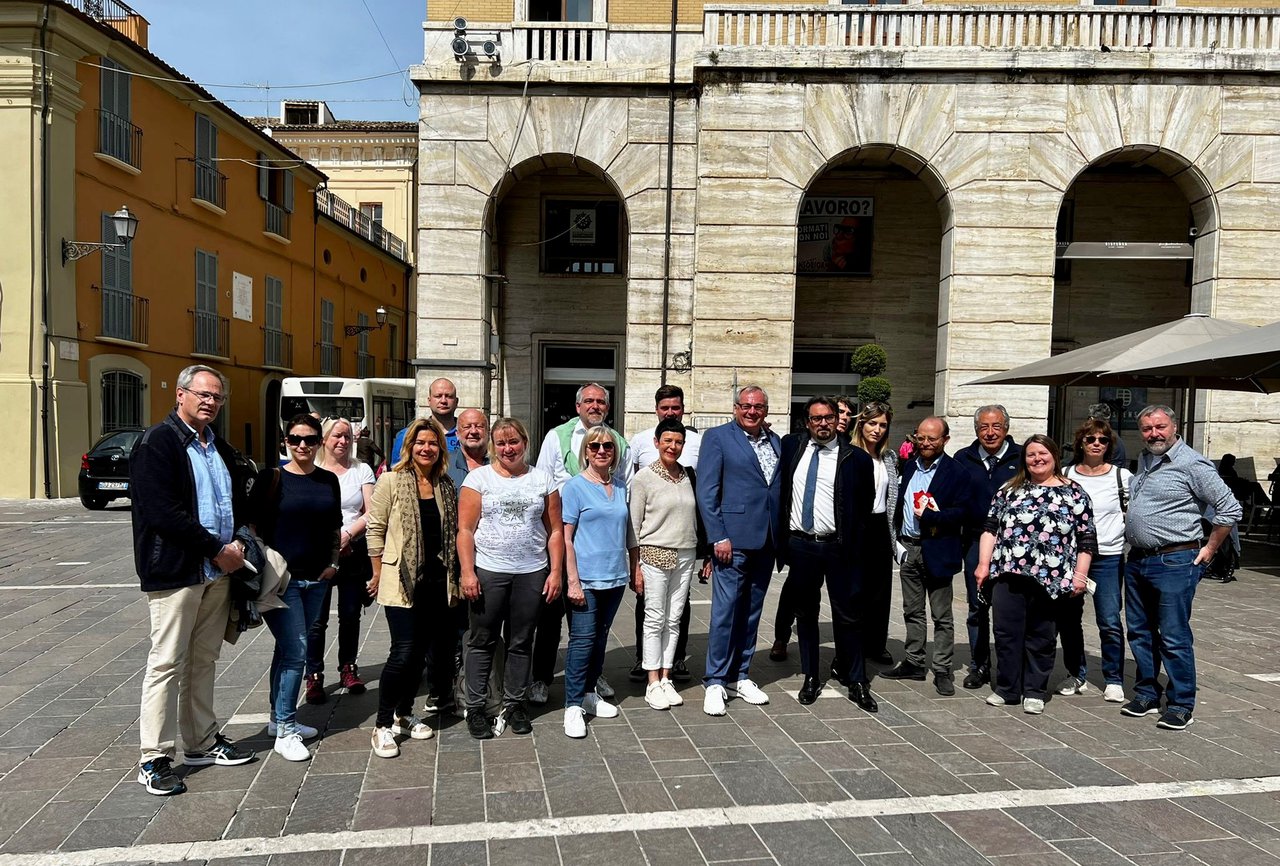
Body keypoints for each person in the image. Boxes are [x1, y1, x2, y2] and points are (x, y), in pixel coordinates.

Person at [131, 364, 254, 796]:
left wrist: (238, 540)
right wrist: (217, 549)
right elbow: (163, 513)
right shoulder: (157, 443)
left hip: (216, 573)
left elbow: (236, 502)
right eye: (202, 394)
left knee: (204, 661)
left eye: (217, 397)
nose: (210, 402)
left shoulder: (217, 447)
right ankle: (154, 757)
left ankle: (201, 742)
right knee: (166, 663)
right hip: (177, 571)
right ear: (180, 395)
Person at [1122, 405, 1241, 730]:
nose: (1153, 434)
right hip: (1139, 560)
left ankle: (1180, 703)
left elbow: (1230, 508)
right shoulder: (1147, 459)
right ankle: (1146, 692)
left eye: (1159, 427)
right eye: (1147, 428)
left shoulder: (1193, 464)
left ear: (1174, 426)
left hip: (1174, 561)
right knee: (1140, 631)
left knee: (1173, 635)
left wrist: (1211, 547)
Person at [457, 418, 563, 739]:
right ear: (493, 445)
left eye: (513, 441)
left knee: (521, 641)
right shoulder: (479, 479)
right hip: (490, 571)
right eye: (501, 443)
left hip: (531, 573)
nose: (508, 449)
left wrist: (556, 571)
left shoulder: (543, 479)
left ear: (525, 442)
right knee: (481, 640)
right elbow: (464, 530)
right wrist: (467, 571)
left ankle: (514, 703)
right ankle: (475, 707)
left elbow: (555, 530)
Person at [975, 434, 1095, 714]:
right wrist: (983, 565)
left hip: (1051, 577)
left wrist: (1080, 575)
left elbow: (1087, 539)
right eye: (1031, 455)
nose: (1037, 459)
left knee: (1041, 635)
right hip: (1008, 572)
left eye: (1042, 453)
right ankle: (1007, 689)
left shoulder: (1075, 493)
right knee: (1006, 633)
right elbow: (990, 529)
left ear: (1054, 456)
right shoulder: (1009, 490)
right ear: (1024, 459)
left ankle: (1034, 690)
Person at [529, 383, 631, 705]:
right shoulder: (555, 437)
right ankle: (542, 678)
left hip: (594, 540)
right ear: (578, 406)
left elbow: (621, 486)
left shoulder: (619, 443)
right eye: (589, 400)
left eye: (601, 401)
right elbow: (543, 482)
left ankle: (591, 676)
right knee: (550, 614)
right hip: (559, 535)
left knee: (589, 623)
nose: (595, 405)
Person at [249, 414, 343, 762]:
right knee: (296, 651)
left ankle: (278, 718)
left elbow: (335, 525)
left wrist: (333, 563)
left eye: (309, 439)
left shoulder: (328, 481)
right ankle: (287, 728)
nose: (302, 445)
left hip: (317, 579)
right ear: (285, 441)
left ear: (319, 442)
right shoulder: (270, 478)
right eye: (295, 438)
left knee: (286, 650)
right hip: (282, 580)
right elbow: (251, 528)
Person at [365, 417, 460, 757]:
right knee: (403, 652)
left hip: (438, 582)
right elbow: (374, 530)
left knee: (420, 654)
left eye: (433, 443)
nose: (427, 448)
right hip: (402, 580)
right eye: (420, 443)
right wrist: (376, 573)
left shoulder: (445, 485)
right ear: (410, 447)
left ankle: (403, 715)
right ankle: (381, 725)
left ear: (440, 449)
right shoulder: (391, 481)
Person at [777, 397, 879, 712]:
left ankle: (857, 679)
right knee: (806, 614)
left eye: (829, 418)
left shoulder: (856, 459)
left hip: (839, 547)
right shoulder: (791, 447)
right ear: (807, 421)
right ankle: (810, 676)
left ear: (838, 420)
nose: (823, 424)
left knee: (848, 615)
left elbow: (865, 506)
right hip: (802, 545)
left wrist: (853, 543)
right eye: (816, 418)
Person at [696, 385, 782, 716]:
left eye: (758, 406)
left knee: (751, 612)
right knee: (725, 612)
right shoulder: (718, 438)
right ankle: (715, 679)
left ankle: (740, 675)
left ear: (765, 410)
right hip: (731, 541)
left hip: (766, 540)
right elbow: (707, 491)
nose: (751, 411)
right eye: (746, 406)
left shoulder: (775, 441)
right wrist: (717, 536)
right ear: (735, 408)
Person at [883, 416, 976, 696]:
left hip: (938, 549)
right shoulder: (909, 466)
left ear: (945, 440)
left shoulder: (957, 472)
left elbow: (965, 512)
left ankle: (943, 669)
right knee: (912, 611)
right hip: (909, 548)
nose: (925, 443)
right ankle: (913, 661)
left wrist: (934, 515)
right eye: (920, 437)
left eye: (932, 439)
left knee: (941, 615)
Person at [561, 425, 638, 737]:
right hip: (587, 579)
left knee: (601, 637)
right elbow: (566, 539)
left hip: (615, 577)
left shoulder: (620, 486)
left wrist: (636, 567)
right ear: (586, 452)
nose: (602, 451)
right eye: (595, 447)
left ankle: (590, 693)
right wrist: (572, 581)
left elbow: (629, 532)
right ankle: (572, 705)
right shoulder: (575, 487)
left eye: (608, 446)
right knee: (581, 641)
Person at [629, 418, 708, 710]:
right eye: (668, 441)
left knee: (674, 618)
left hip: (686, 553)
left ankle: (666, 676)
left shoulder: (688, 475)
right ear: (657, 443)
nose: (673, 447)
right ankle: (651, 680)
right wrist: (634, 566)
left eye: (678, 442)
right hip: (654, 552)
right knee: (655, 618)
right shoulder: (644, 478)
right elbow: (634, 527)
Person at [1061, 418, 1133, 703]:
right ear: (1081, 442)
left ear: (1109, 445)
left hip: (1108, 556)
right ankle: (1076, 673)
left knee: (1109, 620)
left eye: (1103, 440)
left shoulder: (1121, 477)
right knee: (1068, 619)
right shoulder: (1066, 474)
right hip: (1071, 556)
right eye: (1091, 439)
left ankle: (1113, 678)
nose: (1096, 444)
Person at [304, 418, 375, 705]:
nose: (342, 441)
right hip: (319, 553)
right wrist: (331, 541)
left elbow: (371, 512)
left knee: (350, 614)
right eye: (336, 436)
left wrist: (346, 535)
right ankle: (314, 675)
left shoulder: (362, 470)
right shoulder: (313, 468)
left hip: (352, 550)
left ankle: (348, 667)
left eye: (347, 436)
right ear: (324, 439)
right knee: (316, 620)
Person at [954, 405, 1023, 691]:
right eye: (984, 426)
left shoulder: (1022, 457)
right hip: (973, 542)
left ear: (1006, 428)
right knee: (977, 605)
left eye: (996, 426)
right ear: (976, 430)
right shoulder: (963, 458)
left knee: (1013, 607)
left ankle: (1012, 666)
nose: (990, 432)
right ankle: (979, 664)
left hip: (1013, 545)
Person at [851, 401, 899, 667]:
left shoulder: (889, 458)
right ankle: (853, 644)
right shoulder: (849, 454)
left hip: (882, 527)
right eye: (872, 423)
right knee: (855, 591)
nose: (877, 430)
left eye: (882, 425)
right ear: (862, 424)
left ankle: (877, 644)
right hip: (858, 528)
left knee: (880, 592)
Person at [392, 377, 462, 461]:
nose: (443, 401)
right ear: (429, 400)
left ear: (456, 402)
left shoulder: (468, 435)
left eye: (449, 396)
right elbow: (397, 470)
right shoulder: (407, 435)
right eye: (438, 396)